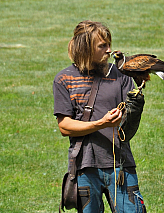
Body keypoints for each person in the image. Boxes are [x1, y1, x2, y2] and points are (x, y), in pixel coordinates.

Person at [53, 20, 146, 213]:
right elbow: (65, 126)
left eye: (109, 44)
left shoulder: (121, 75)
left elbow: (127, 131)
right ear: (85, 47)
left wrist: (135, 108)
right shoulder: (64, 79)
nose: (109, 50)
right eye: (102, 46)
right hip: (85, 167)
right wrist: (101, 123)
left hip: (121, 165)